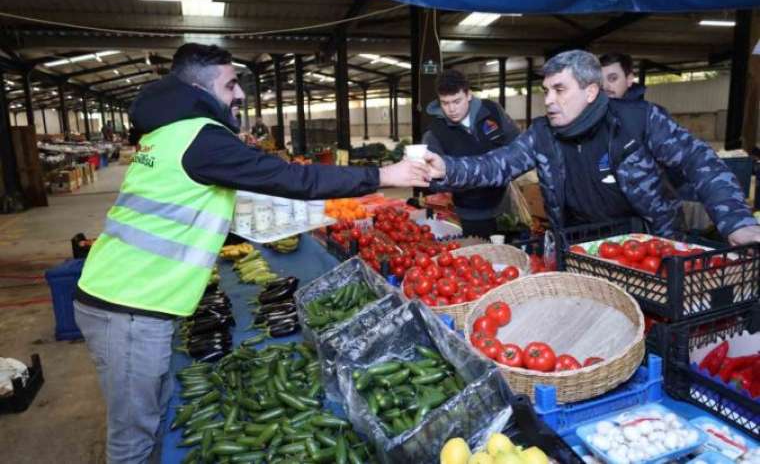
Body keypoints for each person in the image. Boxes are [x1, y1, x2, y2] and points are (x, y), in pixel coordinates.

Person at [73, 43, 428, 464]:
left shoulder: (168, 132)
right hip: (129, 307)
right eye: (230, 85)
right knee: (132, 439)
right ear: (199, 89)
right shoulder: (200, 138)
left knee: (150, 417)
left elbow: (186, 208)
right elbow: (292, 178)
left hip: (128, 297)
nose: (240, 94)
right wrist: (384, 175)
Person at [421, 50, 760, 246]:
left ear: (590, 91)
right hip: (580, 245)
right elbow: (497, 164)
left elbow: (699, 160)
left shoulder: (638, 122)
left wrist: (735, 220)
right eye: (546, 90)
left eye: (559, 90)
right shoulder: (543, 134)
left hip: (648, 244)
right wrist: (448, 168)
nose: (549, 101)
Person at [422, 69, 520, 238]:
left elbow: (518, 144)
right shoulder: (434, 133)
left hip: (507, 208)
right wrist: (468, 177)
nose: (451, 109)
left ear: (468, 94)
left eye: (456, 101)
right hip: (469, 214)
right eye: (445, 103)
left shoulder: (493, 111)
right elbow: (433, 182)